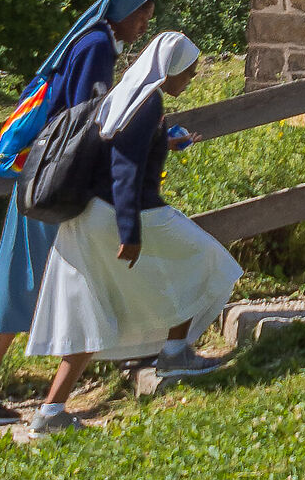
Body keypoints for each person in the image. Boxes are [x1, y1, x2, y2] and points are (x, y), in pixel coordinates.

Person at [0, 0, 157, 428]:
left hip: (37, 178)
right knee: (59, 278)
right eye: (141, 13)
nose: (145, 22)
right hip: (57, 186)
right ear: (119, 11)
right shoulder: (99, 44)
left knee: (18, 278)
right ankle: (41, 404)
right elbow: (87, 115)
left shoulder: (87, 41)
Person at [25, 31, 242, 436]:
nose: (190, 80)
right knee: (209, 260)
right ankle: (175, 351)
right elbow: (124, 171)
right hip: (123, 214)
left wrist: (167, 140)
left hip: (92, 215)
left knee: (91, 309)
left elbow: (124, 150)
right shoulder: (148, 104)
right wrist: (131, 231)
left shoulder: (129, 97)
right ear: (170, 69)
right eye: (189, 73)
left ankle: (51, 411)